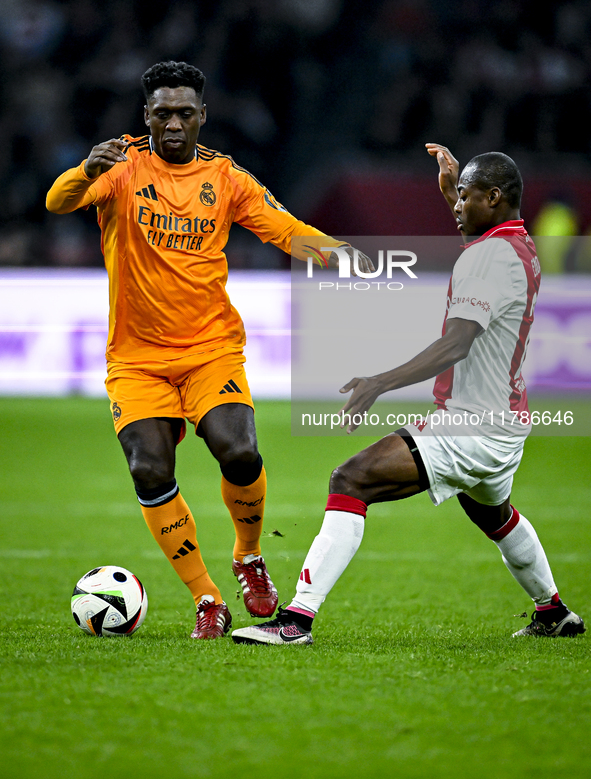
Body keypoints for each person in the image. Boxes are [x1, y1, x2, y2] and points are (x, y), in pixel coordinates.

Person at [46, 60, 372, 640]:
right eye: (161, 113)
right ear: (146, 116)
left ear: (203, 116)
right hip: (137, 358)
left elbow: (281, 226)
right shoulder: (117, 168)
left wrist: (336, 251)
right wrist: (82, 170)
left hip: (210, 349)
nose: (173, 123)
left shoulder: (224, 178)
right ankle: (206, 598)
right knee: (149, 467)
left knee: (239, 451)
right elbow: (57, 202)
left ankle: (248, 556)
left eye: (184, 113)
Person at [232, 142, 586, 645]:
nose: (457, 206)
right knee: (495, 513)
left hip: (470, 427)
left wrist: (380, 382)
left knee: (350, 479)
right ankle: (553, 612)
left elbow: (458, 342)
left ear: (494, 196)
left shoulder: (488, 257)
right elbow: (484, 251)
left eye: (465, 197)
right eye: (456, 197)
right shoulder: (521, 245)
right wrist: (454, 199)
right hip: (506, 425)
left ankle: (296, 621)